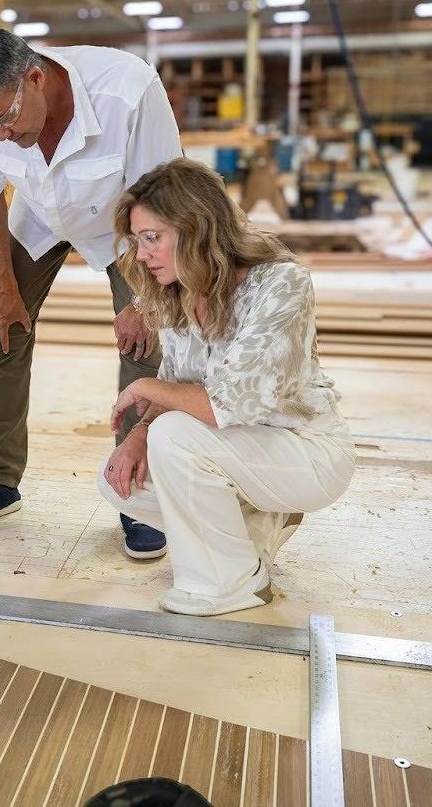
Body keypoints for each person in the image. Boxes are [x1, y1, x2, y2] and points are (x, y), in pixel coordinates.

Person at [0, 26, 182, 559]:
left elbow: (163, 199)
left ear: (34, 78)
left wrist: (144, 302)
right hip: (42, 217)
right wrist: (5, 286)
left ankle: (135, 491)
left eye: (4, 119)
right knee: (4, 331)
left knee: (144, 345)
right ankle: (1, 481)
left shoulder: (129, 91)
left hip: (128, 222)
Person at [97, 159, 355, 616]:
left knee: (173, 437)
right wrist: (137, 437)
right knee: (119, 480)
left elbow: (223, 405)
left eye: (152, 238)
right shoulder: (177, 292)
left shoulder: (280, 282)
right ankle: (257, 528)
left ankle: (231, 580)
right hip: (240, 450)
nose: (141, 255)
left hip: (305, 451)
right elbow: (179, 387)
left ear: (195, 227)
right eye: (138, 241)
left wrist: (148, 389)